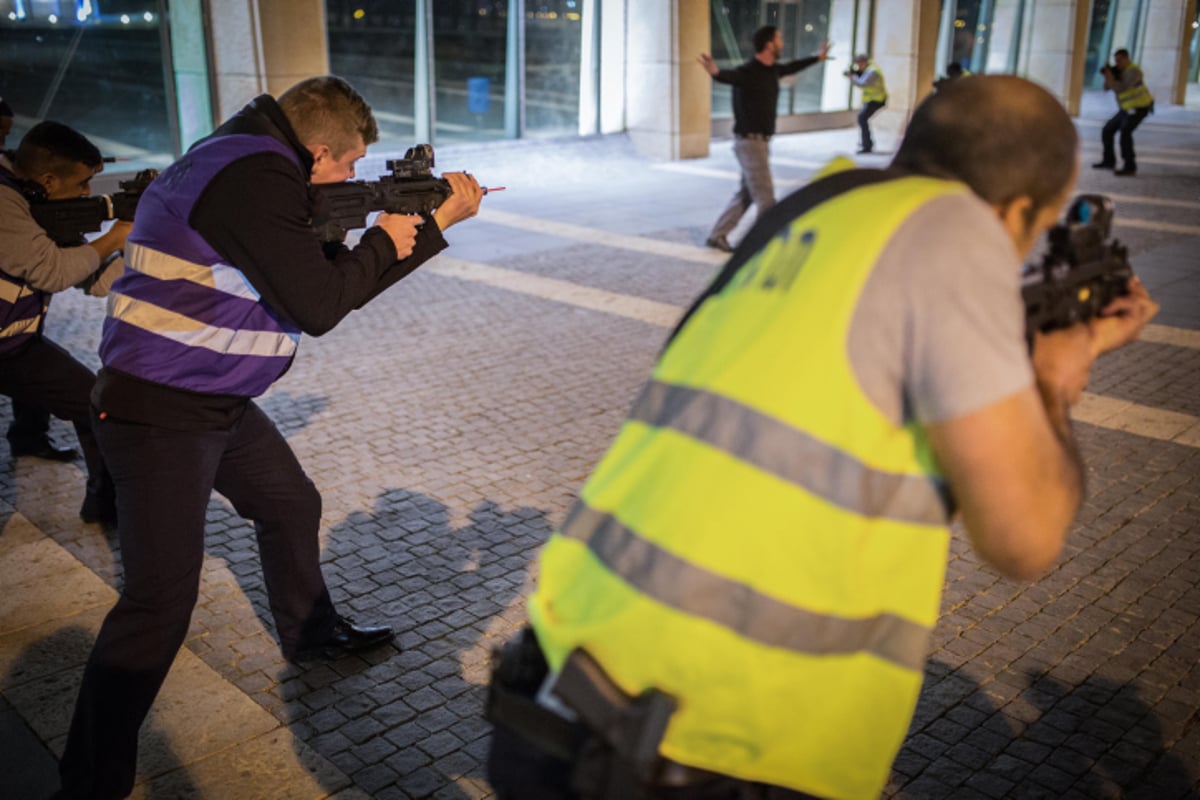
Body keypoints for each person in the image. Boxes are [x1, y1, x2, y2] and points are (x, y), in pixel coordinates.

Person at [484, 75, 1158, 800]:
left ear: (909, 145)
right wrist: (1056, 381)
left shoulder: (817, 207)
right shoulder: (956, 227)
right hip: (706, 745)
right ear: (1020, 208)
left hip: (558, 678)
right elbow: (1025, 539)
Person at [54, 75, 484, 799]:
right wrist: (394, 235)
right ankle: (88, 782)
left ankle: (311, 632)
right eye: (347, 168)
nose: (351, 180)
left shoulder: (240, 157)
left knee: (288, 503)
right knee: (158, 604)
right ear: (317, 154)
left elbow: (325, 288)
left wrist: (423, 230)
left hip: (209, 399)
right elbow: (320, 305)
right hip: (159, 411)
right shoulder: (255, 180)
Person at [0, 121, 127, 522]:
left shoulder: (41, 204)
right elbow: (53, 273)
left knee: (94, 402)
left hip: (15, 345)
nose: (89, 194)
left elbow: (92, 279)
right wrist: (116, 236)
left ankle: (105, 503)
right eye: (84, 184)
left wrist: (141, 243)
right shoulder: (5, 202)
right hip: (11, 348)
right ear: (48, 181)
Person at [697, 26, 832, 253]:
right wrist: (715, 72)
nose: (782, 42)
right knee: (766, 198)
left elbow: (793, 66)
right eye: (779, 38)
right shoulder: (748, 72)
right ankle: (764, 247)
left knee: (748, 193)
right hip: (750, 142)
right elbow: (730, 77)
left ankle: (717, 235)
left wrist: (817, 58)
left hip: (760, 142)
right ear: (769, 44)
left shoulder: (773, 71)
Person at [0, 96, 79, 461]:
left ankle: (29, 437)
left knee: (86, 398)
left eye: (5, 136)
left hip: (16, 340)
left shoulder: (18, 189)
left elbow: (84, 274)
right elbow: (50, 270)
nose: (4, 148)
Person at [1094, 48, 1154, 176]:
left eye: (1120, 60)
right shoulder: (1118, 71)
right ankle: (1109, 161)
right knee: (1107, 130)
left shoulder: (1134, 71)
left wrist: (1110, 76)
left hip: (1140, 107)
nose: (1118, 63)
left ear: (1127, 58)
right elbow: (1106, 88)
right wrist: (1108, 75)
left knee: (1125, 132)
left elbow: (1120, 88)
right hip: (1126, 109)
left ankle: (1130, 166)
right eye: (1116, 61)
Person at [844, 54, 887, 153]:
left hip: (877, 100)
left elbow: (862, 83)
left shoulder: (872, 72)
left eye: (858, 64)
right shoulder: (870, 69)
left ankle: (867, 145)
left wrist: (852, 77)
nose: (858, 67)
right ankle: (866, 142)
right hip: (872, 99)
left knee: (862, 118)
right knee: (862, 119)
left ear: (863, 62)